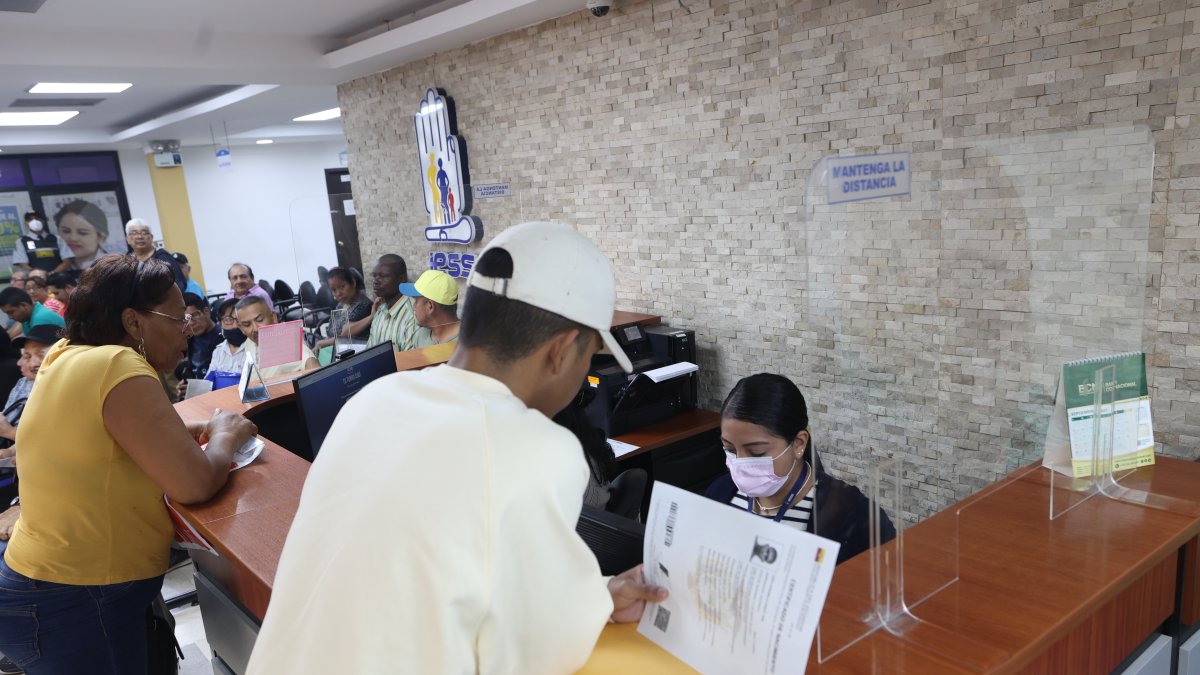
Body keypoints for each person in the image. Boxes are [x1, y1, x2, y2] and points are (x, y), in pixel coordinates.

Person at [247, 222, 667, 674]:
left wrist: (596, 598)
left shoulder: (374, 400)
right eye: (589, 358)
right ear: (562, 350)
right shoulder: (539, 447)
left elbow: (463, 582)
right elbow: (532, 649)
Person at [0, 255, 258, 673]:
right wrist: (225, 433)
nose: (188, 328)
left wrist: (182, 432)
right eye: (177, 318)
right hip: (74, 598)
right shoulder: (118, 364)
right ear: (134, 323)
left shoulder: (69, 352)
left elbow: (101, 436)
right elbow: (194, 484)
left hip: (50, 583)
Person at [705, 373, 896, 565]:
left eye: (756, 453)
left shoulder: (854, 516)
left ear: (798, 443)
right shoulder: (718, 494)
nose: (740, 464)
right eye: (730, 449)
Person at [234, 296, 318, 378]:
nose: (255, 329)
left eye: (259, 320)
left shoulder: (288, 339)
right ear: (241, 328)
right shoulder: (249, 342)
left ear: (273, 317)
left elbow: (313, 367)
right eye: (247, 325)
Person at [365, 254, 418, 351]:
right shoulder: (380, 310)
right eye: (374, 276)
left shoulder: (413, 314)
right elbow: (370, 351)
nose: (375, 281)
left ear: (401, 279)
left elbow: (411, 362)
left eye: (383, 276)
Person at [314, 266, 372, 351]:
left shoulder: (363, 305)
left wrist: (320, 343)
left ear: (353, 283)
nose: (338, 293)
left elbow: (344, 334)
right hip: (338, 350)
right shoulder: (340, 305)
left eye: (342, 287)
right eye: (334, 290)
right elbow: (331, 332)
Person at [399, 269, 461, 348]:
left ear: (430, 306)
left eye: (416, 301)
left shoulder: (471, 344)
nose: (414, 307)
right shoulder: (420, 336)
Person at [125, 218, 186, 295]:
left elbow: (179, 285)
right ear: (127, 239)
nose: (139, 236)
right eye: (134, 233)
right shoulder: (126, 261)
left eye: (144, 232)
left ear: (151, 237)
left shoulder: (163, 258)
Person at [53, 200, 111, 270]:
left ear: (101, 237)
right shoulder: (56, 267)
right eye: (66, 231)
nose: (73, 238)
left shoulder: (110, 265)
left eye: (82, 232)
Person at [205, 298, 250, 386]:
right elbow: (208, 383)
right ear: (220, 323)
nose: (235, 325)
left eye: (239, 319)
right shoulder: (218, 351)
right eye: (228, 320)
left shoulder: (255, 348)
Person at [180, 293, 222, 379]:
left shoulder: (223, 337)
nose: (191, 323)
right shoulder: (190, 339)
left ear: (206, 312)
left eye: (194, 316)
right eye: (186, 319)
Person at [0, 287, 64, 337]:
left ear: (24, 305)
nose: (10, 317)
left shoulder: (40, 319)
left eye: (11, 312)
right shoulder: (27, 318)